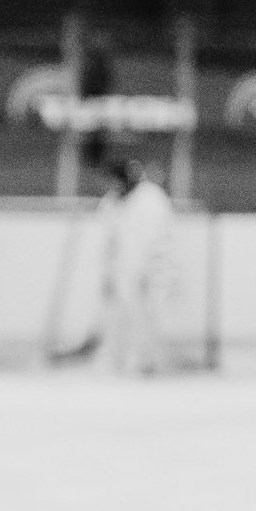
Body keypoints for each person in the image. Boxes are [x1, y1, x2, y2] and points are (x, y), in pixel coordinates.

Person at [95, 157, 179, 375]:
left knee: (148, 318)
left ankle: (147, 363)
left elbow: (158, 240)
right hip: (122, 273)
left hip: (150, 273)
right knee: (117, 318)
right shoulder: (111, 203)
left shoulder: (151, 199)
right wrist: (107, 274)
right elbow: (108, 243)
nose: (111, 187)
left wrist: (152, 273)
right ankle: (116, 361)